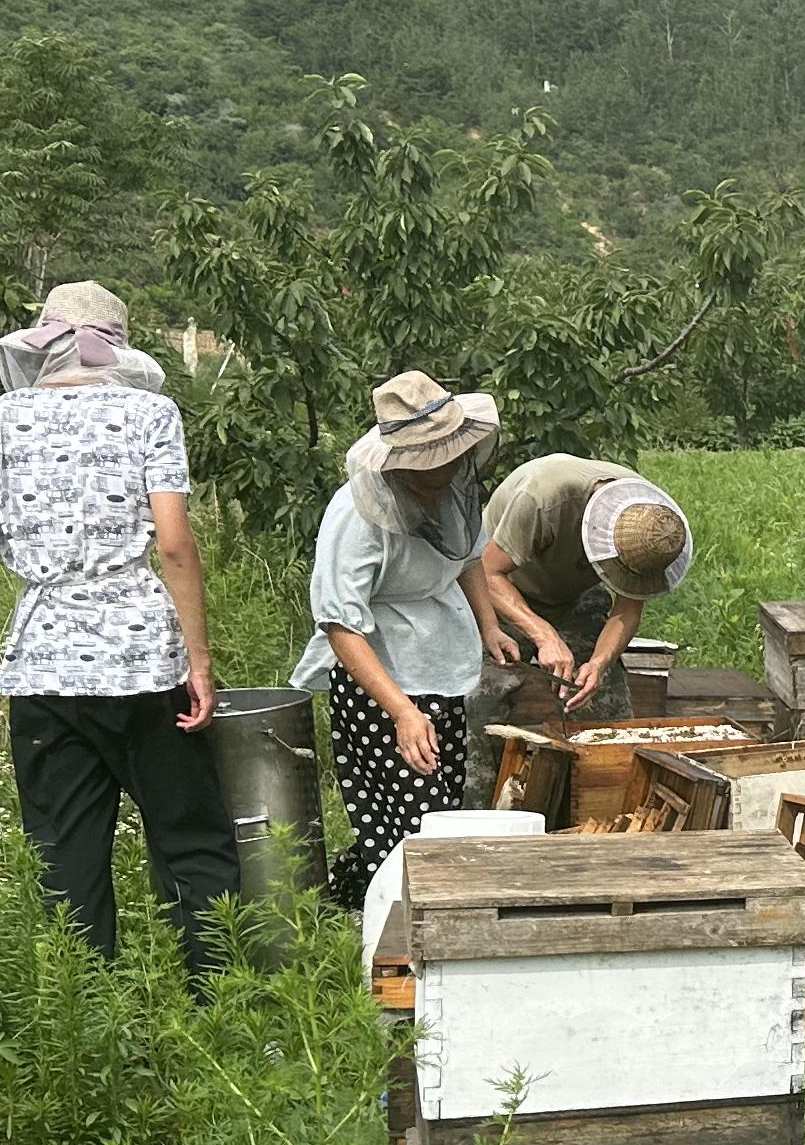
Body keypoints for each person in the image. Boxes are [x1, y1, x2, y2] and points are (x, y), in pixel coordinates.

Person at [0, 280, 239, 976]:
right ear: (118, 345)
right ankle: (220, 1007)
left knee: (65, 857)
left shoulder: (2, 419)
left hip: (42, 668)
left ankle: (90, 1013)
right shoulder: (150, 415)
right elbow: (172, 543)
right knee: (191, 840)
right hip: (143, 662)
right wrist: (199, 662)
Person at [293, 370, 511, 908]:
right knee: (410, 816)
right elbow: (341, 625)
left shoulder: (458, 487)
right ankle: (387, 925)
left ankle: (354, 902)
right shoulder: (356, 514)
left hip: (441, 659)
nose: (443, 465)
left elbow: (467, 557)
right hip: (381, 675)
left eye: (450, 453)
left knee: (437, 806)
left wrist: (489, 626)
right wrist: (403, 713)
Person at [480, 451, 694, 711]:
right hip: (506, 588)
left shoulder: (653, 525)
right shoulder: (542, 499)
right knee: (480, 697)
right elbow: (487, 573)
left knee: (604, 701)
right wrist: (545, 636)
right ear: (600, 534)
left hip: (576, 595)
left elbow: (628, 609)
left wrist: (599, 664)